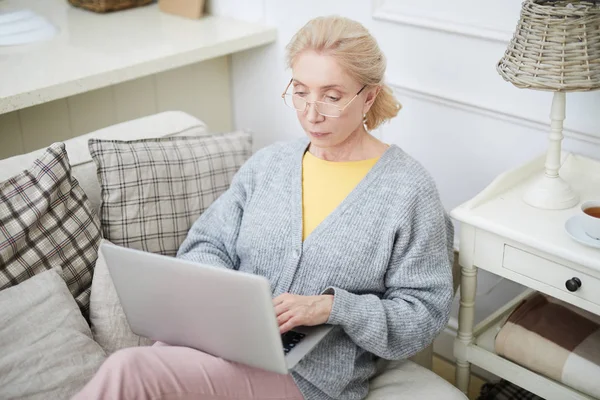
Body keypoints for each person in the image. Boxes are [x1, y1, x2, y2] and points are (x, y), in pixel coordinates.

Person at [73, 15, 454, 400]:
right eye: (301, 91)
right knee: (145, 369)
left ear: (368, 97)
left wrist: (332, 307)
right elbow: (205, 244)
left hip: (303, 381)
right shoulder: (268, 165)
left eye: (332, 96)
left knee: (129, 369)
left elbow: (422, 314)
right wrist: (233, 304)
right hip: (214, 346)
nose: (311, 112)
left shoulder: (408, 191)